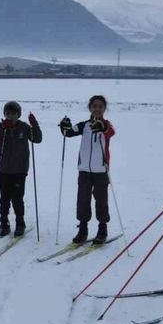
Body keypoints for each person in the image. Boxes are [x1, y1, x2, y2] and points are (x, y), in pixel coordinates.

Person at [58, 95, 115, 244]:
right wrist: (64, 126)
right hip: (84, 170)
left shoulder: (107, 125)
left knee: (101, 200)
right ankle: (83, 230)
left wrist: (102, 127)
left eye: (100, 106)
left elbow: (110, 132)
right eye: (94, 106)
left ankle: (102, 229)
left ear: (104, 109)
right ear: (90, 108)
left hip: (101, 171)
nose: (97, 109)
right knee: (83, 199)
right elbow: (69, 132)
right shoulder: (84, 125)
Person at [0, 101, 43, 237]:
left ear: (18, 115)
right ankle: (4, 223)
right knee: (4, 198)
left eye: (13, 114)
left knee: (17, 198)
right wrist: (2, 128)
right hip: (4, 169)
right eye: (8, 113)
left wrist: (34, 124)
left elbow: (37, 139)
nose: (10, 116)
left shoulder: (24, 127)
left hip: (19, 170)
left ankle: (20, 223)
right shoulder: (3, 127)